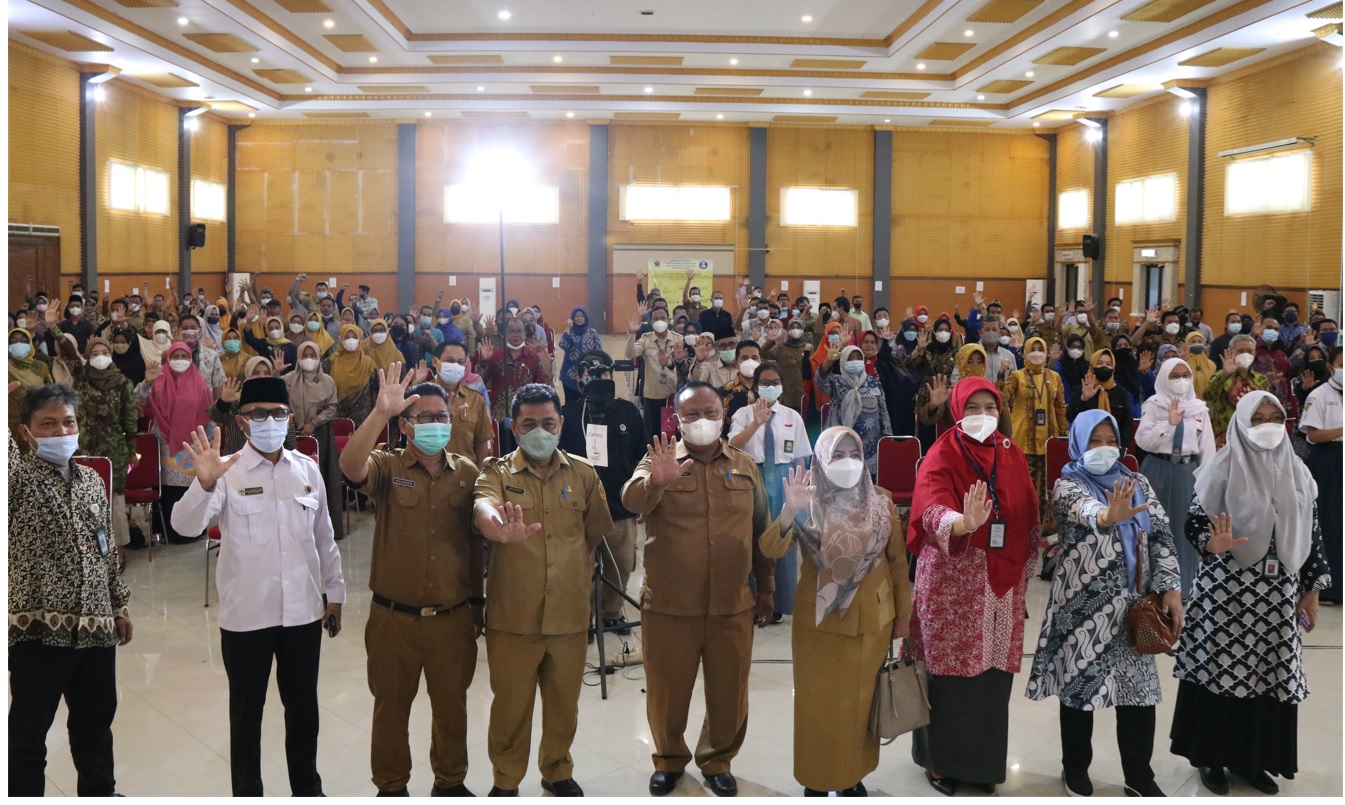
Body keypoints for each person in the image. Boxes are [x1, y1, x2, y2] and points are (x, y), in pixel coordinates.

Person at [171, 378, 345, 797]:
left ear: (288, 419)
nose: (270, 421)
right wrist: (205, 483)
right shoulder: (226, 471)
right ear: (243, 422)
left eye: (278, 413)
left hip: (303, 613)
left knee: (304, 712)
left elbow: (324, 537)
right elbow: (183, 526)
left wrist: (334, 592)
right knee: (246, 717)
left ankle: (308, 789)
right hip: (247, 616)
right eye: (258, 413)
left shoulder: (306, 469)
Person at [621, 382, 780, 798]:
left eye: (709, 411)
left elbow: (761, 529)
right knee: (667, 692)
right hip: (671, 604)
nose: (702, 421)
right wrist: (657, 481)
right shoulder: (659, 459)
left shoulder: (745, 467)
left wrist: (766, 586)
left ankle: (717, 759)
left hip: (732, 602)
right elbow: (631, 500)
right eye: (691, 414)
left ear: (724, 413)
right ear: (677, 419)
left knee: (730, 692)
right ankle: (669, 760)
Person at [1171, 391, 1330, 795]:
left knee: (1267, 676)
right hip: (1227, 593)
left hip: (1279, 596)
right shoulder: (1219, 468)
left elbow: (1313, 533)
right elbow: (1192, 523)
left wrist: (1311, 590)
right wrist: (1211, 543)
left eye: (1274, 417)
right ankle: (1211, 758)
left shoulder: (1298, 471)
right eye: (1256, 418)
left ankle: (1253, 760)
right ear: (1240, 423)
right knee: (1222, 671)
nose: (1266, 425)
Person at [338, 366, 484, 796]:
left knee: (452, 708)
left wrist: (477, 604)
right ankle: (391, 786)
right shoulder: (386, 465)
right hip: (392, 618)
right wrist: (379, 414)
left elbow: (475, 546)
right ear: (406, 425)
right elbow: (350, 466)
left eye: (442, 418)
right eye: (425, 418)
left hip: (452, 617)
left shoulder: (467, 473)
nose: (436, 425)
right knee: (390, 709)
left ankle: (450, 782)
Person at [1026, 410, 1182, 797]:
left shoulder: (1137, 482)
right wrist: (1107, 515)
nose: (1103, 449)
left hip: (1135, 608)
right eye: (1093, 441)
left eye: (1109, 440)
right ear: (1078, 444)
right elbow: (1085, 512)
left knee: (1139, 695)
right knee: (1079, 691)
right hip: (1083, 609)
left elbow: (1161, 536)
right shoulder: (1068, 486)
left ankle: (1139, 776)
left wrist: (1171, 589)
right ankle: (1075, 768)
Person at [472, 384, 613, 797]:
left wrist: (571, 574)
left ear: (561, 424)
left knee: (563, 705)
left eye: (548, 423)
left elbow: (592, 535)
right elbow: (482, 507)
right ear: (514, 427)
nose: (540, 431)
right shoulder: (495, 472)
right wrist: (497, 526)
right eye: (529, 424)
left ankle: (557, 770)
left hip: (568, 614)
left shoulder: (584, 473)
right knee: (510, 709)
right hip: (514, 616)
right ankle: (506, 780)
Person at [906, 377, 1040, 796]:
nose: (982, 415)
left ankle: (981, 766)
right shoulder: (942, 451)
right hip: (952, 579)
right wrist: (963, 523)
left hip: (1000, 585)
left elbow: (1029, 509)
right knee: (947, 676)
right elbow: (928, 506)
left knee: (990, 678)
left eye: (990, 406)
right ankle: (941, 764)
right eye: (972, 407)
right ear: (957, 409)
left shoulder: (1010, 452)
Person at [759, 429, 911, 796]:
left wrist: (903, 619)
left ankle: (851, 775)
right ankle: (817, 776)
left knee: (860, 708)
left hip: (872, 624)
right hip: (820, 627)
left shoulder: (881, 502)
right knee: (819, 708)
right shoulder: (808, 503)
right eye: (837, 454)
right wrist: (789, 510)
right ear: (822, 460)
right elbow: (770, 549)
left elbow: (898, 564)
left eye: (853, 453)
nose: (847, 461)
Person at [9, 382, 133, 797]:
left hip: (97, 629)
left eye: (68, 423)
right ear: (26, 432)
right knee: (29, 734)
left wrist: (119, 606)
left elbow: (105, 548)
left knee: (95, 726)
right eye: (48, 424)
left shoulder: (90, 481)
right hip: (38, 632)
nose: (61, 433)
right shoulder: (17, 480)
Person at [558, 351, 648, 635]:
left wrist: (642, 496)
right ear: (580, 378)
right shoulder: (567, 414)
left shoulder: (628, 412)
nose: (599, 379)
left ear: (613, 376)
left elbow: (642, 456)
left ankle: (611, 612)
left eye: (604, 374)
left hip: (620, 505)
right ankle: (581, 619)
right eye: (592, 374)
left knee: (621, 564)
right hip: (576, 508)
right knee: (579, 567)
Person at [728, 362, 812, 623]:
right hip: (753, 476)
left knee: (782, 536)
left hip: (784, 480)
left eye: (775, 382)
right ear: (755, 386)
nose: (770, 387)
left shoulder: (791, 416)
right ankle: (752, 600)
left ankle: (780, 603)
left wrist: (798, 492)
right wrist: (755, 423)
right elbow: (732, 445)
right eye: (765, 383)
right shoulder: (743, 413)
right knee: (753, 536)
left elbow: (800, 457)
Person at [1135, 359, 1216, 597]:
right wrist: (1168, 426)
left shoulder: (1199, 409)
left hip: (1187, 473)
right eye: (1175, 375)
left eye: (1186, 374)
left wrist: (1208, 484)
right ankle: (1152, 585)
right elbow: (1143, 441)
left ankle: (1183, 587)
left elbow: (1207, 449)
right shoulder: (1154, 405)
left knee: (1184, 529)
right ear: (1164, 378)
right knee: (1155, 527)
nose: (1181, 380)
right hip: (1158, 468)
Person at [138, 340, 215, 544]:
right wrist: (146, 383)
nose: (179, 361)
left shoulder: (201, 384)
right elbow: (135, 402)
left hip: (193, 446)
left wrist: (209, 446)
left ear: (191, 359)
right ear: (168, 358)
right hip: (164, 445)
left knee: (191, 490)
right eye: (175, 356)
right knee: (168, 490)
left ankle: (192, 530)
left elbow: (208, 416)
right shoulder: (157, 380)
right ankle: (167, 531)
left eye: (184, 356)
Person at [70, 338, 139, 549]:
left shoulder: (122, 382)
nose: (100, 356)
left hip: (114, 451)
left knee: (116, 500)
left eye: (104, 352)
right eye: (94, 353)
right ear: (87, 357)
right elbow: (68, 353)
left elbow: (129, 419)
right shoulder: (82, 379)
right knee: (87, 499)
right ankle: (92, 549)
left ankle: (117, 550)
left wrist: (132, 451)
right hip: (85, 449)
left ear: (110, 355)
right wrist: (54, 328)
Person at [1002, 336, 1068, 532]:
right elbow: (1003, 398)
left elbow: (1059, 407)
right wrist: (1000, 375)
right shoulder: (1016, 376)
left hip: (1049, 439)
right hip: (1023, 439)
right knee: (1024, 485)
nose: (1037, 353)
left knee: (1047, 485)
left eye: (1041, 348)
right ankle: (1022, 525)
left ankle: (1045, 525)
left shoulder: (1054, 377)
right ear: (1025, 352)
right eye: (1033, 348)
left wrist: (1064, 434)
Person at [285, 341, 343, 540]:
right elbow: (281, 404)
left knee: (321, 479)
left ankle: (323, 528)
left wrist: (314, 423)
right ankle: (296, 528)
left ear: (318, 358)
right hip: (291, 435)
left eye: (312, 355)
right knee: (295, 481)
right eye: (304, 355)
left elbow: (332, 407)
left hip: (321, 434)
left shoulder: (327, 381)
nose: (308, 359)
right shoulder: (288, 380)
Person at [1298, 347, 1341, 604]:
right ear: (1332, 367)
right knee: (1329, 523)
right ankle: (1326, 587)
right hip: (1328, 459)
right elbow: (1313, 435)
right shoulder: (1319, 395)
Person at [816, 344, 892, 475]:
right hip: (841, 445)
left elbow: (883, 411)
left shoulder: (873, 382)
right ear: (843, 361)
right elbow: (821, 383)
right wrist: (828, 361)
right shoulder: (836, 381)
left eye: (858, 358)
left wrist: (887, 437)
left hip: (870, 449)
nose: (855, 361)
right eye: (850, 359)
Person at [213, 358, 297, 455]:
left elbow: (289, 437)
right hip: (237, 460)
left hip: (273, 462)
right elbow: (214, 416)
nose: (262, 377)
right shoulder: (235, 399)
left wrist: (287, 459)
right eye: (256, 373)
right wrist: (223, 402)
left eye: (266, 373)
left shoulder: (277, 401)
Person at [428, 340, 493, 464]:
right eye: (450, 361)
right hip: (429, 473)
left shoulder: (475, 399)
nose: (455, 366)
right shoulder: (422, 396)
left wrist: (480, 475)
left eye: (460, 362)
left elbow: (481, 442)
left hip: (466, 474)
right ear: (435, 362)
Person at [476, 317, 550, 425]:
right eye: (512, 331)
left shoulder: (533, 357)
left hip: (527, 415)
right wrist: (484, 361)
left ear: (524, 333)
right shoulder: (496, 356)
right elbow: (479, 381)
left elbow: (542, 385)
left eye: (519, 331)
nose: (516, 335)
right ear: (506, 333)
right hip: (499, 415)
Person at [1203, 334, 1269, 447]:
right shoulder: (1221, 376)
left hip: (1252, 438)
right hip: (1226, 439)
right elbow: (1208, 395)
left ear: (1255, 353)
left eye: (1249, 351)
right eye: (1241, 351)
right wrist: (1225, 374)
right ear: (1232, 353)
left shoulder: (1261, 379)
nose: (1245, 354)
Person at [629, 304, 682, 440]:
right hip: (652, 394)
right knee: (653, 435)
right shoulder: (646, 339)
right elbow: (630, 353)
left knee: (672, 434)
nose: (659, 321)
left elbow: (684, 366)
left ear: (668, 319)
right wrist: (632, 333)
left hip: (672, 394)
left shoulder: (678, 339)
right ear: (651, 321)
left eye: (662, 318)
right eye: (656, 318)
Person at [1068, 349, 1134, 449]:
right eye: (1100, 363)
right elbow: (1070, 416)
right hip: (1086, 447)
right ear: (1092, 366)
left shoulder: (1121, 392)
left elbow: (1127, 423)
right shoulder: (1080, 389)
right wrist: (1084, 399)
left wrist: (1119, 446)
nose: (1104, 367)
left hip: (1113, 448)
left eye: (1108, 364)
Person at [9, 326, 55, 443]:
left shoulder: (41, 366)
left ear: (30, 344)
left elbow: (51, 395)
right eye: (13, 341)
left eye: (23, 341)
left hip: (36, 423)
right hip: (8, 424)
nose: (18, 344)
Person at [759, 317, 812, 413]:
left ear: (803, 329)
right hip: (785, 395)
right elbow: (764, 354)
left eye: (798, 327)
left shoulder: (808, 348)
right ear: (788, 330)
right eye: (792, 327)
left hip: (803, 393)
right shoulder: (781, 347)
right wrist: (770, 342)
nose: (795, 330)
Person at [558, 306, 603, 403]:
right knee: (570, 403)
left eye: (581, 316)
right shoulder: (569, 332)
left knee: (587, 402)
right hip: (570, 374)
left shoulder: (592, 333)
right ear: (572, 319)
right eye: (576, 316)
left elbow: (599, 352)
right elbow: (562, 345)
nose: (579, 318)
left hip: (588, 373)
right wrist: (568, 329)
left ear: (585, 318)